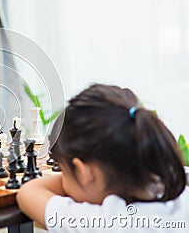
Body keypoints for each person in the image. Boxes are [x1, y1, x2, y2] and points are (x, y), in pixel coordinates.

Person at [17, 83, 188, 232]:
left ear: (86, 172)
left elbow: (28, 193)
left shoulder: (105, 223)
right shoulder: (181, 196)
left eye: (64, 171)